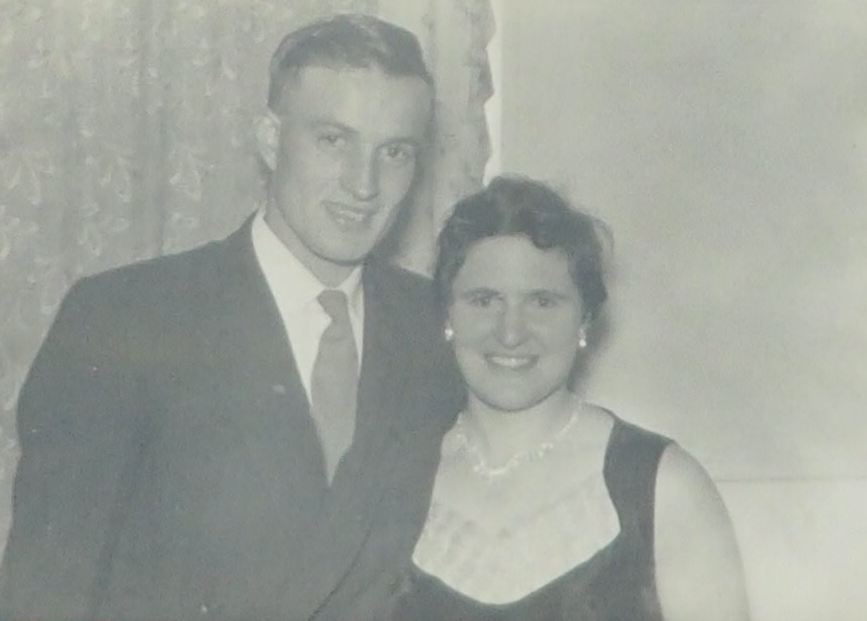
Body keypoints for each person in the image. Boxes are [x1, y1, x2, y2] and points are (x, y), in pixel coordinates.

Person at [0, 13, 462, 621]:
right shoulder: (125, 318)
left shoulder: (440, 330)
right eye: (333, 140)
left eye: (395, 152)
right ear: (271, 142)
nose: (364, 183)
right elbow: (47, 591)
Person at [395, 176, 751, 621]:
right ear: (448, 315)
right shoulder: (397, 481)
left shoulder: (663, 487)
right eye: (484, 300)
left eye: (542, 302)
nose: (510, 332)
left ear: (584, 320)